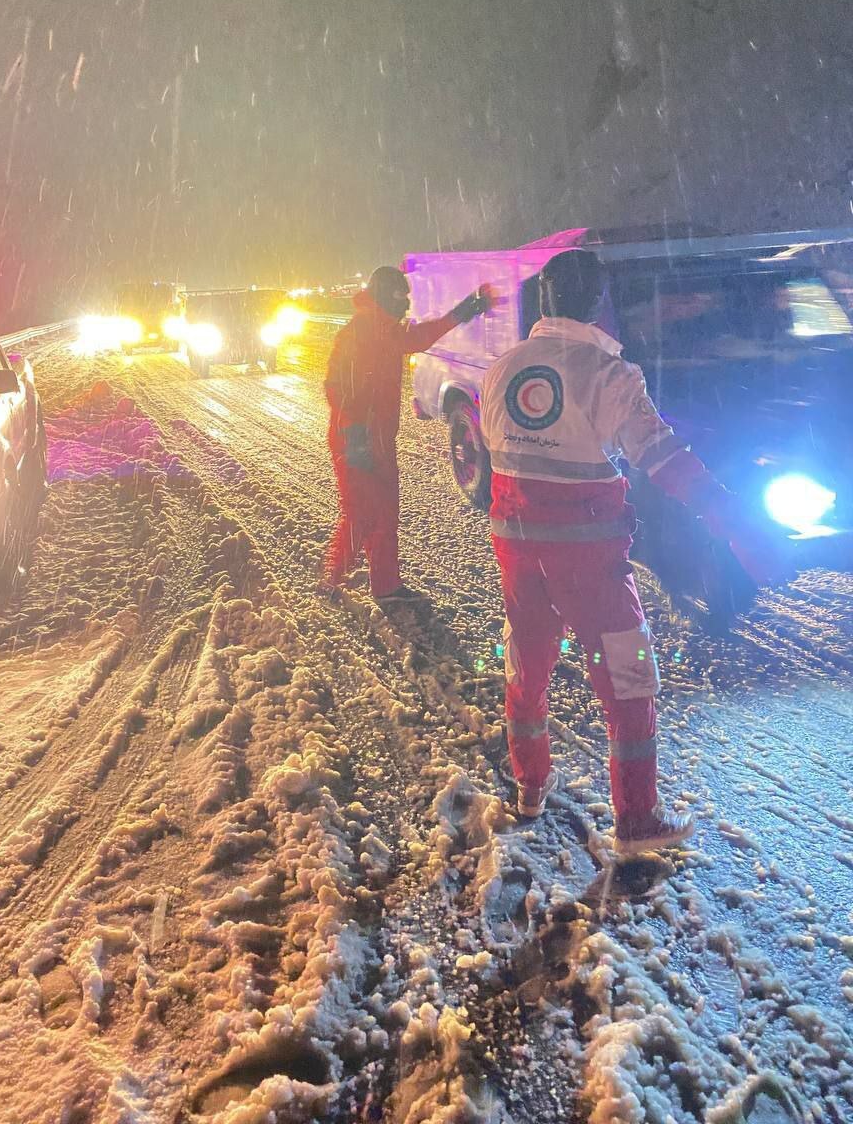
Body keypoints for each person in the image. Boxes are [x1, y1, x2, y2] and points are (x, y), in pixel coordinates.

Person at [480, 249, 785, 853]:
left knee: (527, 662)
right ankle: (638, 822)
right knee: (630, 680)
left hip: (516, 551)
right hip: (590, 562)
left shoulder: (501, 369)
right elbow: (665, 460)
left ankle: (530, 788)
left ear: (544, 302)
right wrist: (735, 521)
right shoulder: (609, 375)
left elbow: (505, 462)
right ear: (599, 305)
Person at [323, 265, 493, 602]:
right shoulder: (359, 333)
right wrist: (355, 436)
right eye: (401, 297)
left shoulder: (385, 330)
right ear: (384, 297)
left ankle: (386, 586)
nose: (405, 304)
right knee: (360, 512)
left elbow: (419, 337)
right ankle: (330, 579)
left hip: (379, 440)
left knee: (386, 510)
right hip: (355, 438)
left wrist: (463, 311)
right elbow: (337, 387)